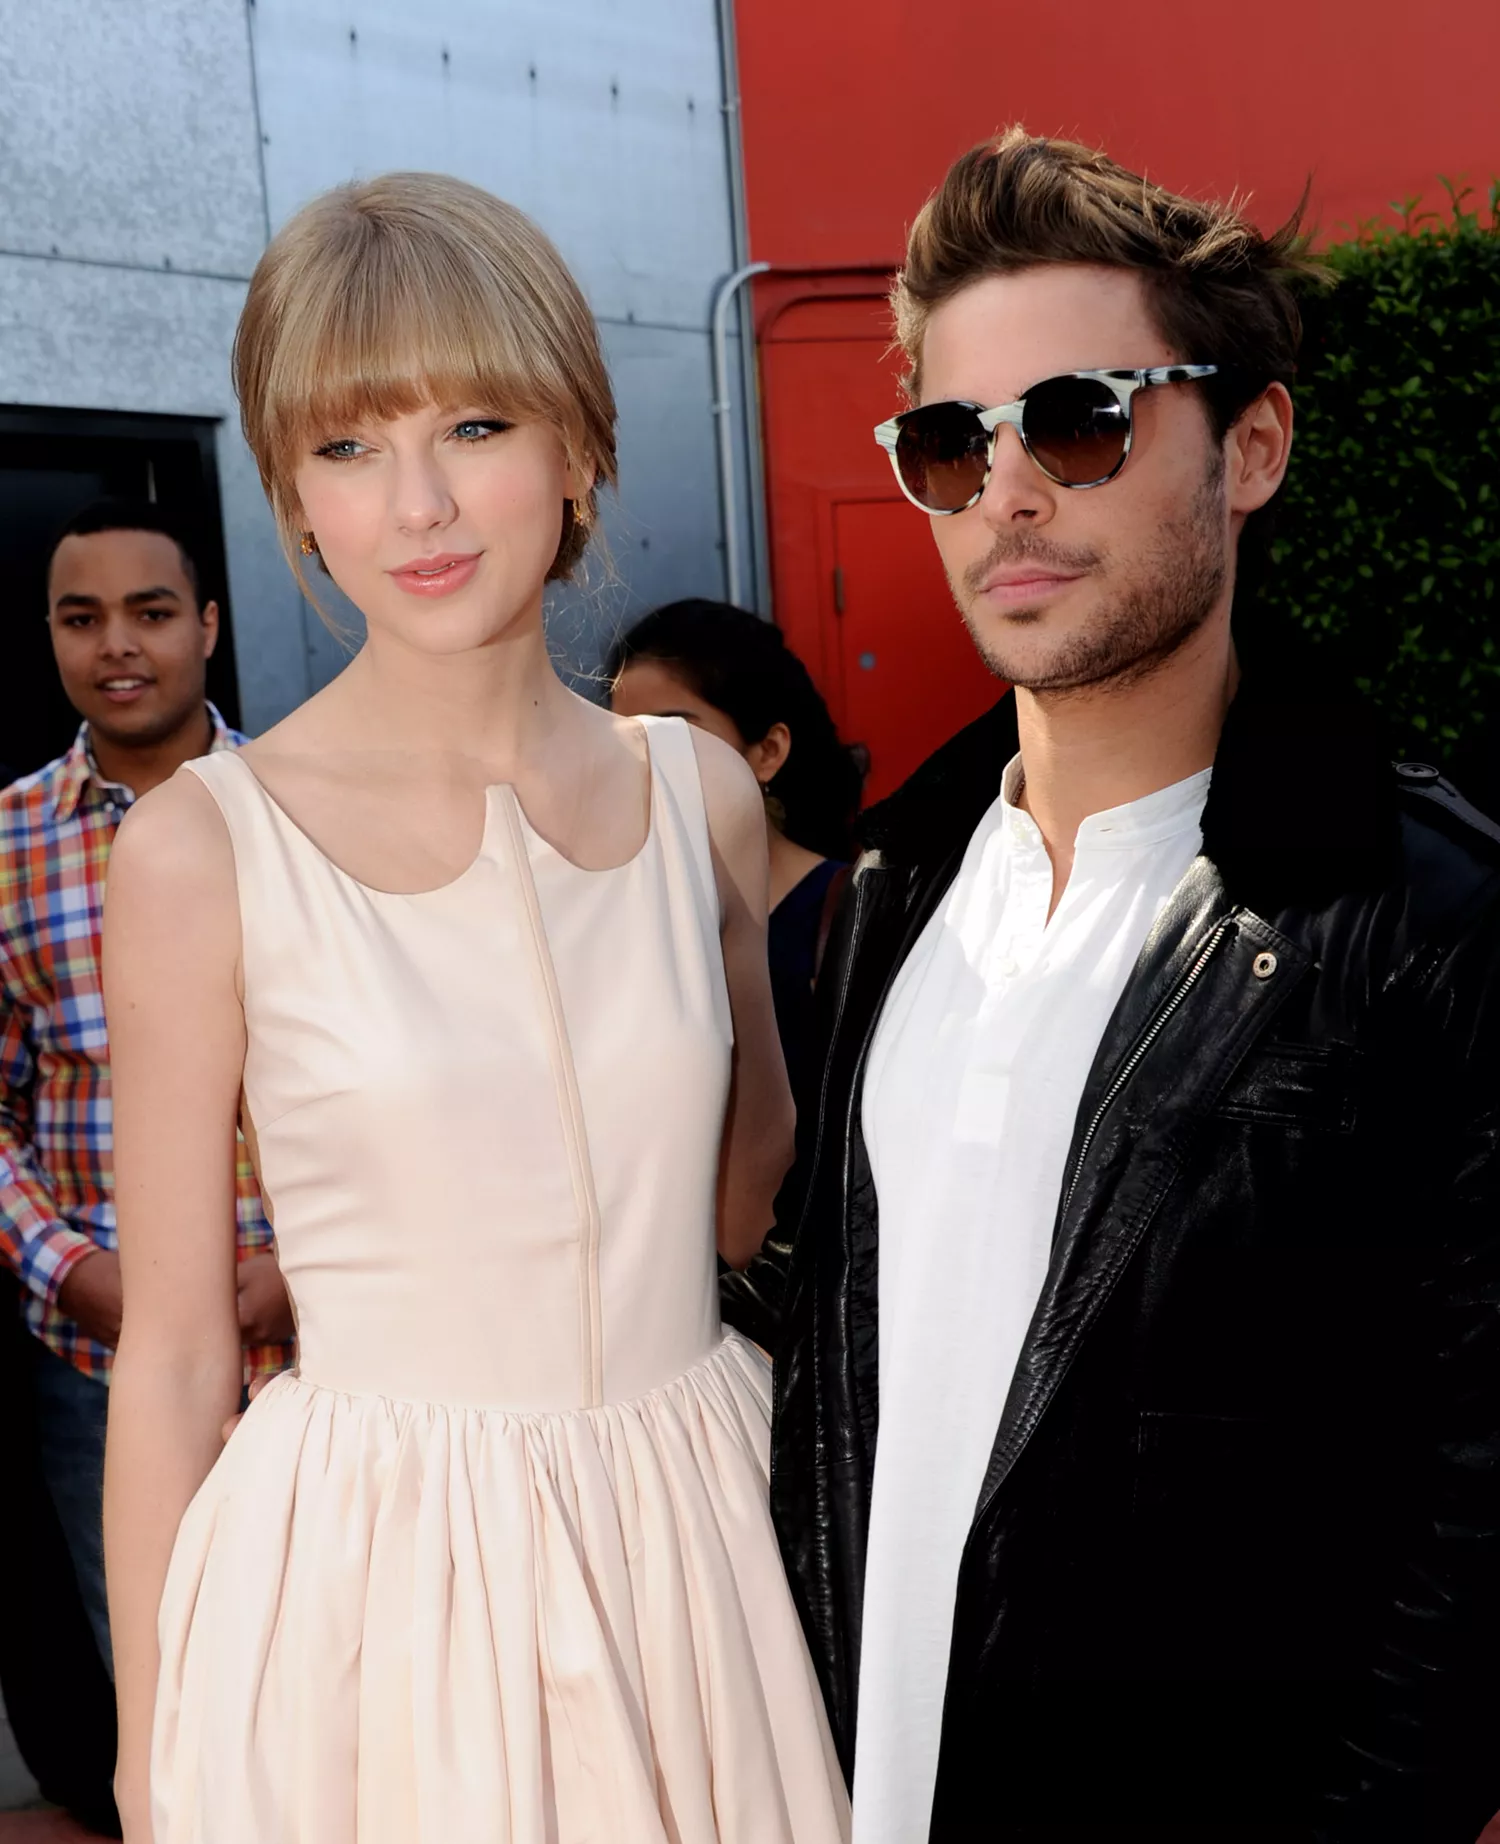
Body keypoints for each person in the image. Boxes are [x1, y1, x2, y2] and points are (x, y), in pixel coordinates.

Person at [722, 129, 1500, 1842]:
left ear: (1255, 444)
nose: (1008, 491)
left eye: (1080, 418)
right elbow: (812, 1336)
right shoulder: (885, 893)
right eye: (950, 440)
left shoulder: (1424, 910)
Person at [102, 173, 850, 1844]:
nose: (420, 502)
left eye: (477, 422)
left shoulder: (702, 794)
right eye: (350, 446)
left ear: (578, 445)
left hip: (698, 1532)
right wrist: (152, 1758)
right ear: (294, 489)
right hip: (372, 1577)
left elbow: (746, 1194)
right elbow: (168, 1356)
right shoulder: (201, 845)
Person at [0, 501, 293, 1707]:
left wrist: (305, 1266)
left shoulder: (308, 808)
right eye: (83, 617)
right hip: (104, 1359)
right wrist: (68, 1268)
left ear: (209, 626)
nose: (118, 644)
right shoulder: (10, 841)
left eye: (152, 611)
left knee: (342, 1677)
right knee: (170, 1693)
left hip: (324, 1348)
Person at [608, 599, 862, 1100]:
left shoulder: (854, 913)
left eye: (674, 732)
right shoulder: (618, 911)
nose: (643, 763)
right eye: (620, 738)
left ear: (768, 751)